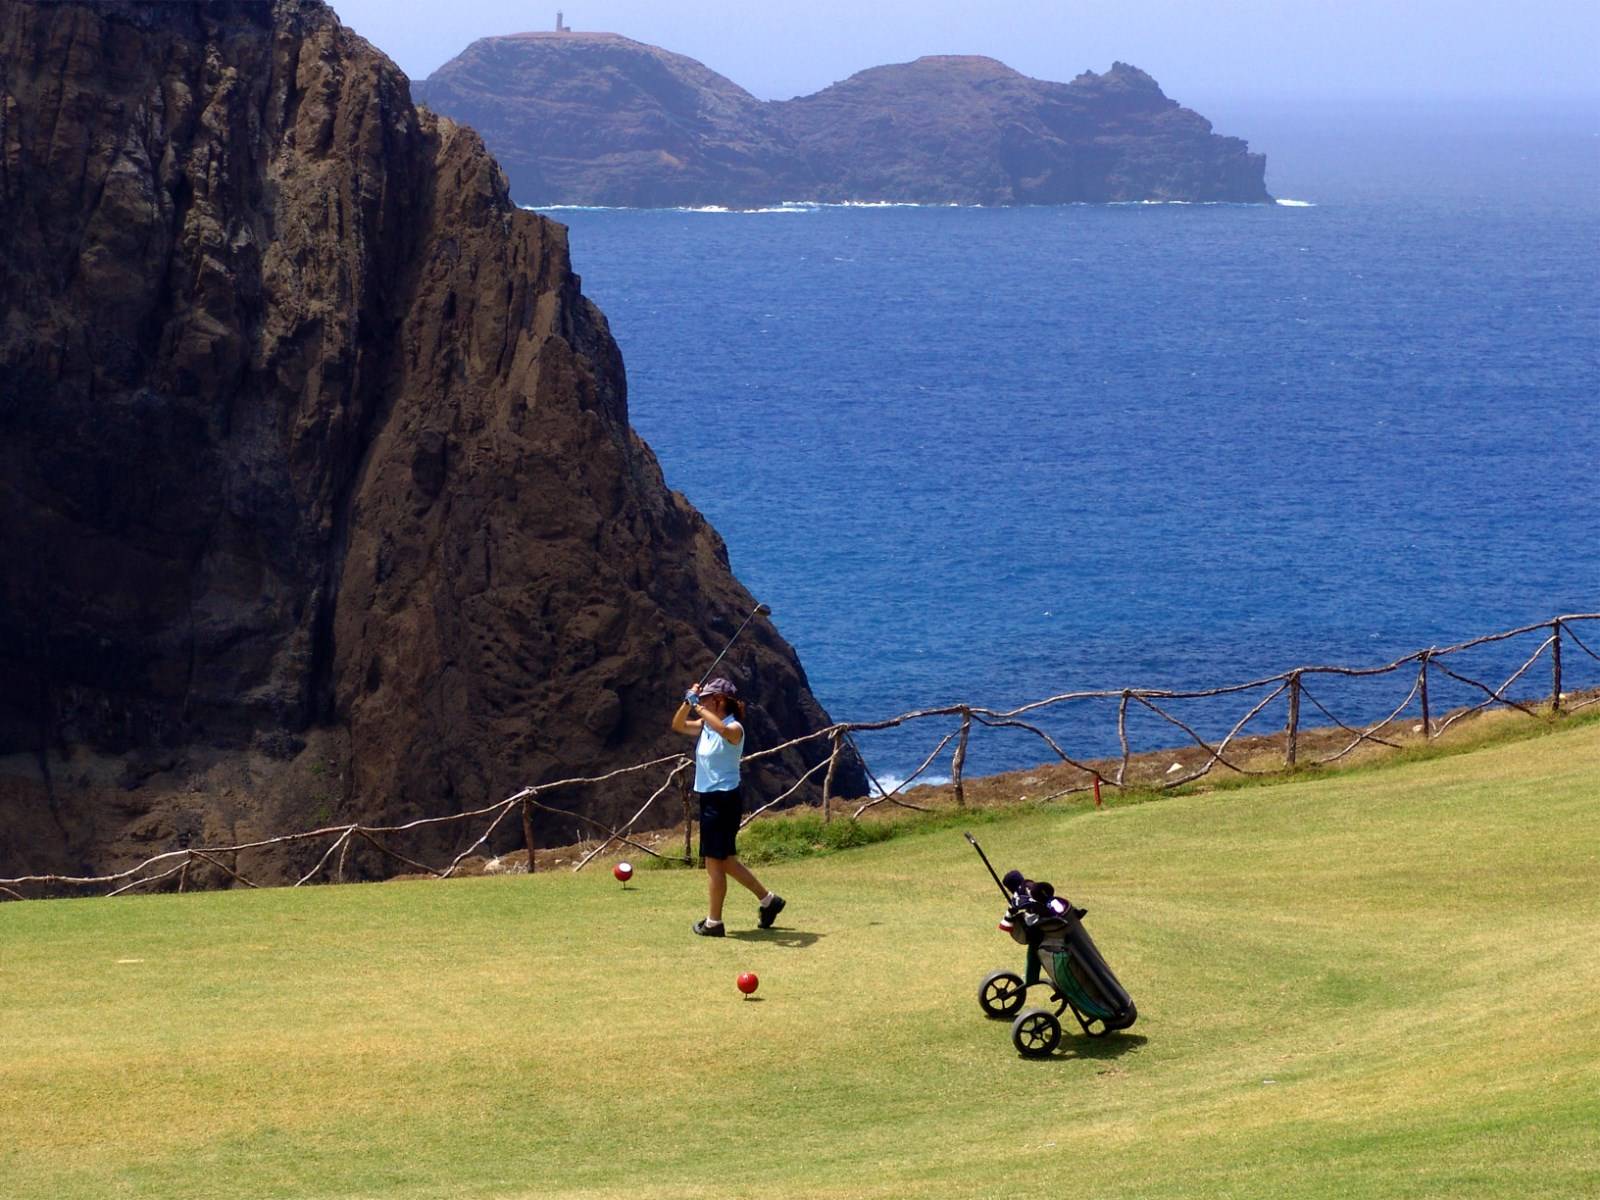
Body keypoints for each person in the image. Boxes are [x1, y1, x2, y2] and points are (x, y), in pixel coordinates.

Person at [671, 676, 785, 936]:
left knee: (714, 862)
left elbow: (724, 731)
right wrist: (687, 702)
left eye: (706, 698)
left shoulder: (734, 728)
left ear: (719, 701)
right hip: (710, 798)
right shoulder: (705, 725)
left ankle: (714, 923)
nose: (702, 701)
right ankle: (769, 900)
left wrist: (696, 706)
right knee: (726, 861)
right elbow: (678, 725)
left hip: (724, 800)